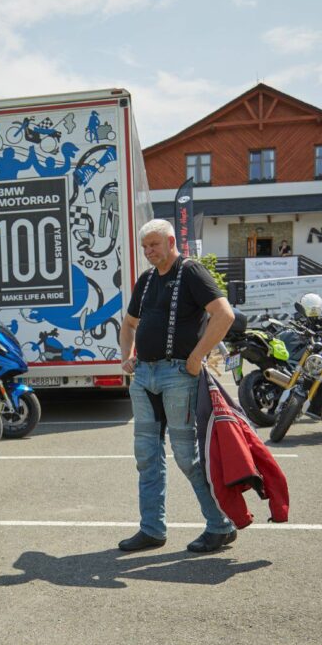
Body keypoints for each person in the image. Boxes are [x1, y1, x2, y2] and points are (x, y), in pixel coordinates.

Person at [118, 219, 238, 554]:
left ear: (171, 241)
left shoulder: (192, 272)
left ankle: (220, 525)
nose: (148, 251)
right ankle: (152, 530)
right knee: (146, 457)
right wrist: (126, 355)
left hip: (176, 375)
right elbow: (128, 324)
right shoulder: (145, 280)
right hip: (144, 377)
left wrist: (198, 356)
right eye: (145, 247)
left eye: (154, 245)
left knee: (187, 456)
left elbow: (224, 315)